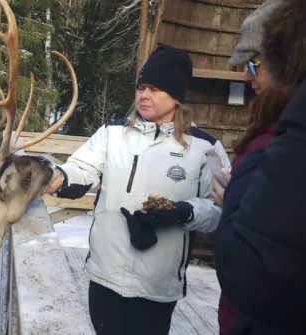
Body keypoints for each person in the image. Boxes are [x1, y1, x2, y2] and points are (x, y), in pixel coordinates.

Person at [46, 44, 230, 335]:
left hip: (156, 285)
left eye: (155, 89)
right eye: (141, 87)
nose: (144, 95)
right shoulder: (112, 134)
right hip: (105, 276)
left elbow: (220, 208)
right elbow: (80, 169)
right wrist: (56, 177)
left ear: (177, 96)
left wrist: (181, 212)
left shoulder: (205, 148)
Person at [212, 0, 306, 333]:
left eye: (253, 65)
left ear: (287, 61)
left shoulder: (288, 137)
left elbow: (252, 266)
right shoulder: (276, 128)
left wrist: (234, 198)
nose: (246, 77)